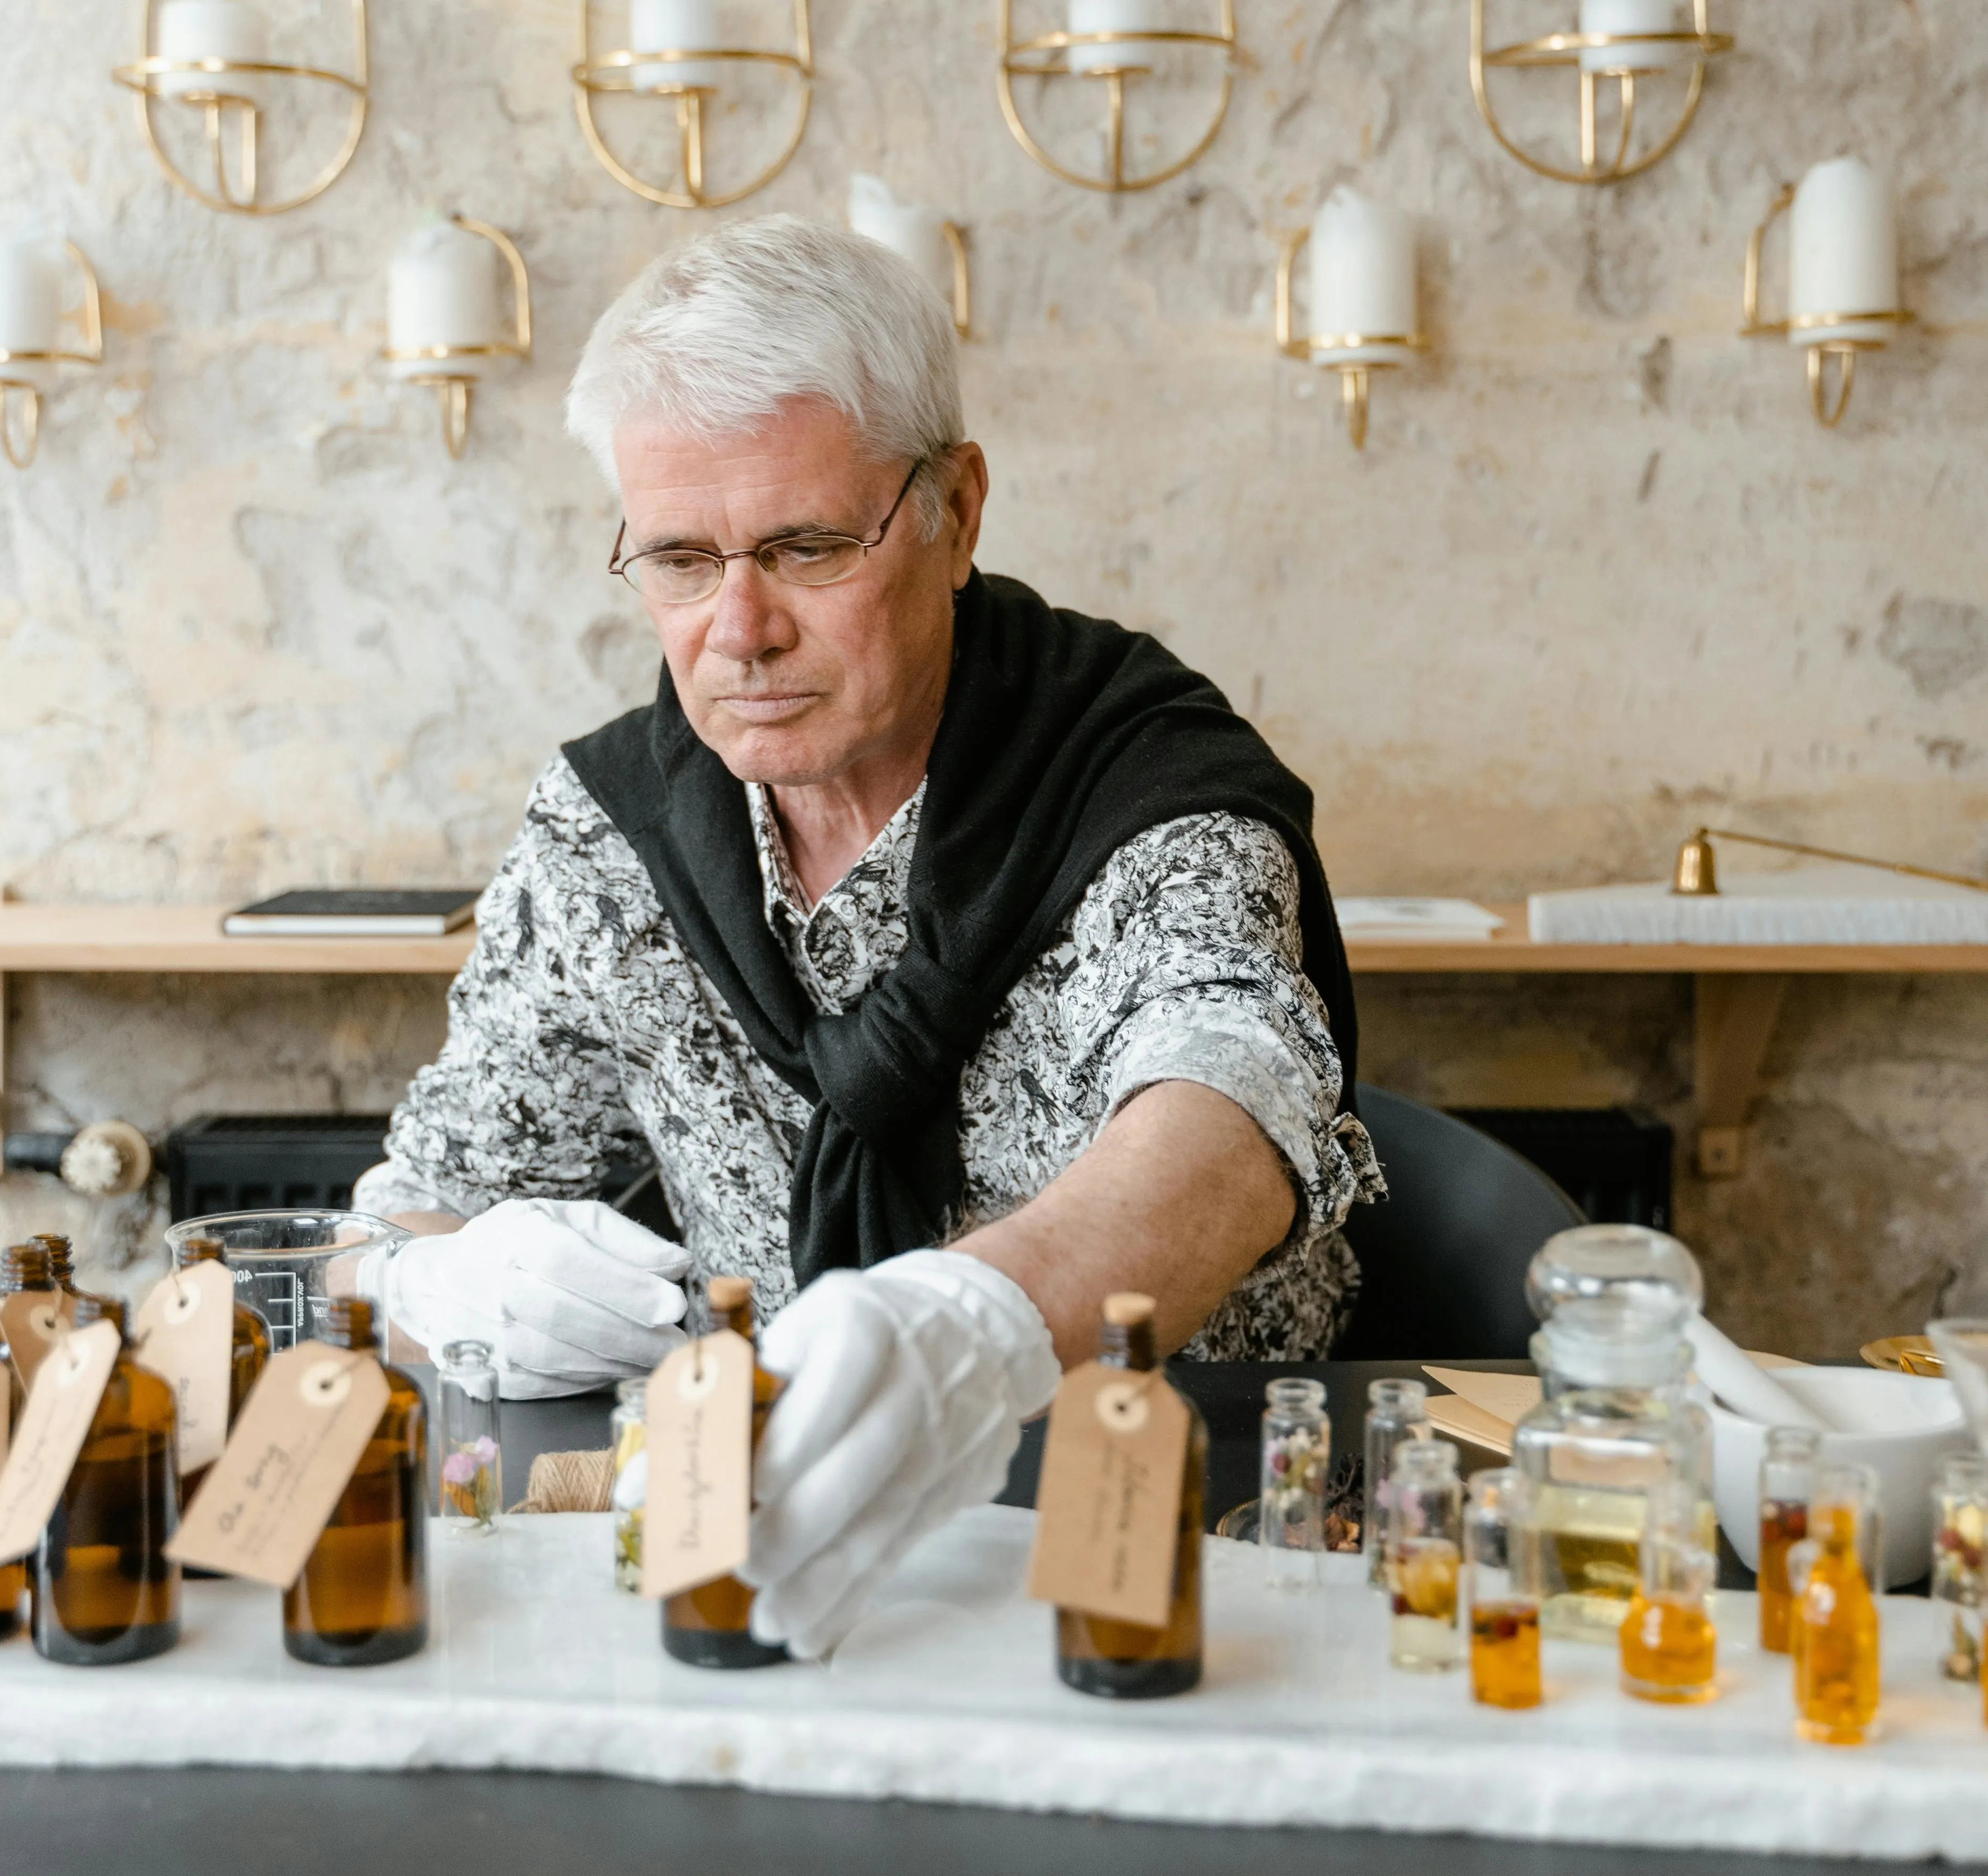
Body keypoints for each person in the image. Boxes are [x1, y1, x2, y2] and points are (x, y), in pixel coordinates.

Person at [351, 214, 1382, 1658]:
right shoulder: (611, 830)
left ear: (956, 510)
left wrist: (976, 1325)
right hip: (773, 1538)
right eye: (680, 558)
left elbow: (1233, 1111)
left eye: (806, 546)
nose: (739, 629)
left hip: (1176, 1538)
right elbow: (411, 1206)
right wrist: (427, 1279)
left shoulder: (1141, 780)